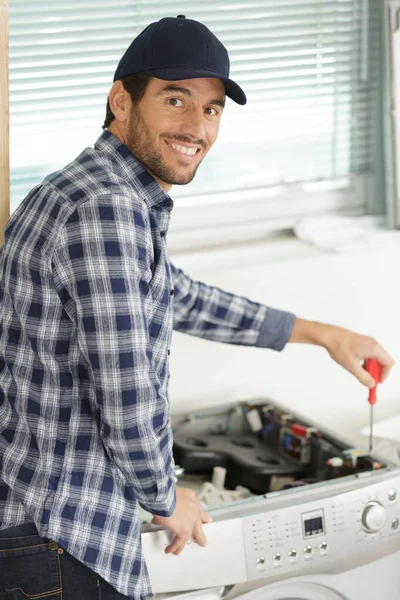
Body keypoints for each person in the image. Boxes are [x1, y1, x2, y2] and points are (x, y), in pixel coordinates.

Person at [0, 14, 394, 600]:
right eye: (176, 99)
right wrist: (164, 497)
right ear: (121, 101)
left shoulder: (81, 188)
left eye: (211, 110)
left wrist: (323, 334)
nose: (196, 127)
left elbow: (178, 294)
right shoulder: (107, 209)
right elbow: (128, 397)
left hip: (41, 524)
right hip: (66, 536)